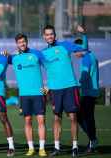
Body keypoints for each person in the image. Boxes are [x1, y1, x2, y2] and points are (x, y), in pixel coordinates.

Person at [42, 25, 85, 157]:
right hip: (55, 90)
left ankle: (75, 146)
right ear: (44, 37)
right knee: (56, 118)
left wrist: (84, 35)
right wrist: (47, 86)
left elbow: (82, 48)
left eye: (51, 34)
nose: (49, 36)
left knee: (73, 117)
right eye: (47, 34)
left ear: (55, 35)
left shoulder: (65, 45)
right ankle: (56, 147)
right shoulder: (42, 53)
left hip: (70, 87)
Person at [8, 34, 47, 157]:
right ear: (17, 44)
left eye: (24, 41)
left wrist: (49, 86)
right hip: (24, 95)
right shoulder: (13, 58)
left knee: (41, 120)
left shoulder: (37, 54)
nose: (22, 44)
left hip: (38, 93)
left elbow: (51, 67)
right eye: (20, 42)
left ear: (27, 42)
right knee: (28, 120)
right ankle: (31, 148)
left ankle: (41, 148)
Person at [75, 25, 99, 153]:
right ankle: (92, 141)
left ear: (80, 49)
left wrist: (74, 85)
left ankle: (92, 140)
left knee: (82, 117)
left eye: (75, 51)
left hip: (88, 93)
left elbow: (84, 77)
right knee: (87, 118)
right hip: (91, 92)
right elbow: (85, 46)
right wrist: (84, 35)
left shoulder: (85, 59)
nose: (74, 53)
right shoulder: (91, 55)